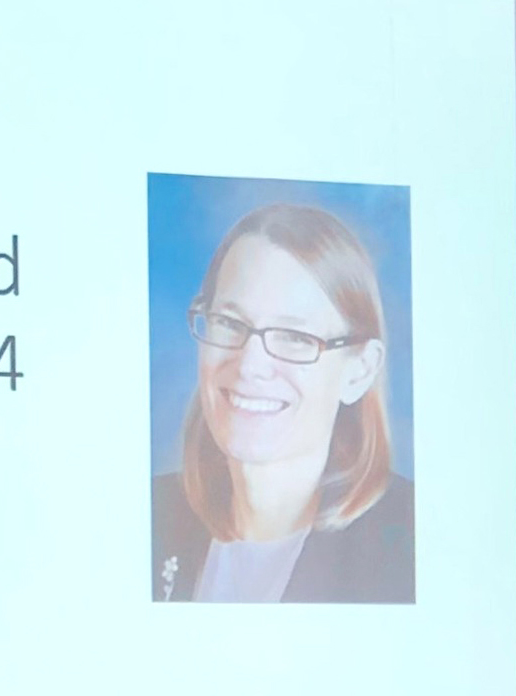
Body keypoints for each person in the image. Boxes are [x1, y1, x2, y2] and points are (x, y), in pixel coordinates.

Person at [152, 203, 414, 603]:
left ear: (359, 370)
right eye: (229, 323)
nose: (250, 366)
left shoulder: (412, 547)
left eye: (295, 337)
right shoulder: (150, 514)